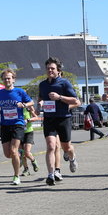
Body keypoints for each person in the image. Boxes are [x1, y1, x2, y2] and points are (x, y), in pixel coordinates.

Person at [39, 57, 80, 186]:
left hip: (63, 118)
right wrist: (39, 103)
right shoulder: (42, 84)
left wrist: (59, 97)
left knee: (66, 147)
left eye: (52, 68)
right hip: (49, 119)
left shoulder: (64, 83)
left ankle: (72, 158)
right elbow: (41, 97)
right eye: (48, 68)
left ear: (58, 70)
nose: (50, 70)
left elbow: (75, 100)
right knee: (51, 146)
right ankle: (51, 174)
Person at [0, 68, 34, 185]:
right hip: (5, 125)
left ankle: (16, 176)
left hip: (18, 124)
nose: (7, 80)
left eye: (9, 78)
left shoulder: (20, 92)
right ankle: (20, 154)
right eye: (5, 78)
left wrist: (24, 105)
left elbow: (31, 102)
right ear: (2, 80)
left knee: (13, 150)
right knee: (8, 154)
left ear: (13, 80)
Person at [20, 105, 40, 176]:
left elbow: (36, 117)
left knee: (26, 152)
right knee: (22, 153)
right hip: (19, 132)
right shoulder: (15, 107)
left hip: (28, 132)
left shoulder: (28, 107)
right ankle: (26, 169)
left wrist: (28, 120)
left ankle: (33, 161)